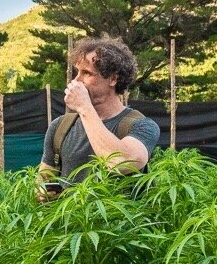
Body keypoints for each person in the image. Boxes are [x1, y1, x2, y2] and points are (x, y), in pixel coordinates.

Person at [38, 37, 160, 196]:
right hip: (68, 220)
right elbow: (43, 178)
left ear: (113, 79)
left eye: (86, 73)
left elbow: (121, 162)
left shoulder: (141, 125)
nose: (76, 80)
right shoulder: (60, 126)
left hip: (117, 220)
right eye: (77, 72)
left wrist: (84, 107)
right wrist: (42, 191)